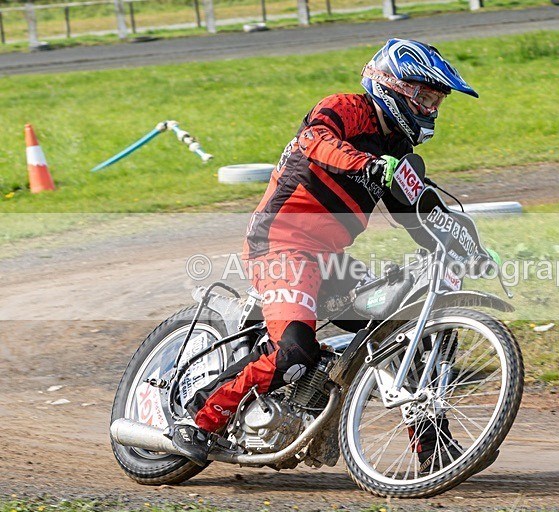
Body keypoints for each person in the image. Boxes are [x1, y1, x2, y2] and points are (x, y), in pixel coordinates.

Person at [172, 39, 479, 471]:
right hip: (279, 243)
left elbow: (420, 217)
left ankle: (435, 451)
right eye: (425, 98)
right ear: (395, 87)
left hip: (328, 261)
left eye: (436, 102)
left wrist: (469, 246)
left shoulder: (399, 157)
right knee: (294, 350)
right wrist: (364, 164)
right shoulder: (348, 108)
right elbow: (312, 139)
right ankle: (197, 419)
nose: (431, 110)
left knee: (399, 337)